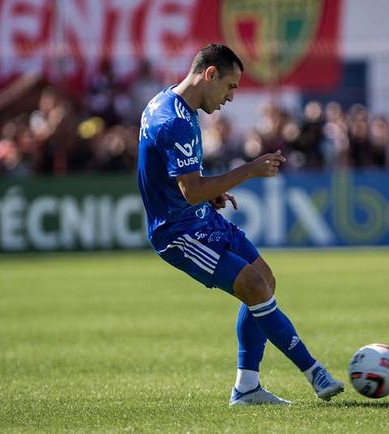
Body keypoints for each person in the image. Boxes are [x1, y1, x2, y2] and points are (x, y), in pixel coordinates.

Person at [137, 44, 344, 406]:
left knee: (265, 278)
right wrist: (249, 170)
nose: (231, 97)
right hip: (178, 232)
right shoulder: (174, 120)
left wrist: (207, 195)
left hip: (199, 217)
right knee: (253, 285)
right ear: (210, 74)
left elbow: (180, 181)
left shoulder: (167, 103)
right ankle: (314, 372)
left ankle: (246, 387)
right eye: (230, 86)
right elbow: (190, 190)